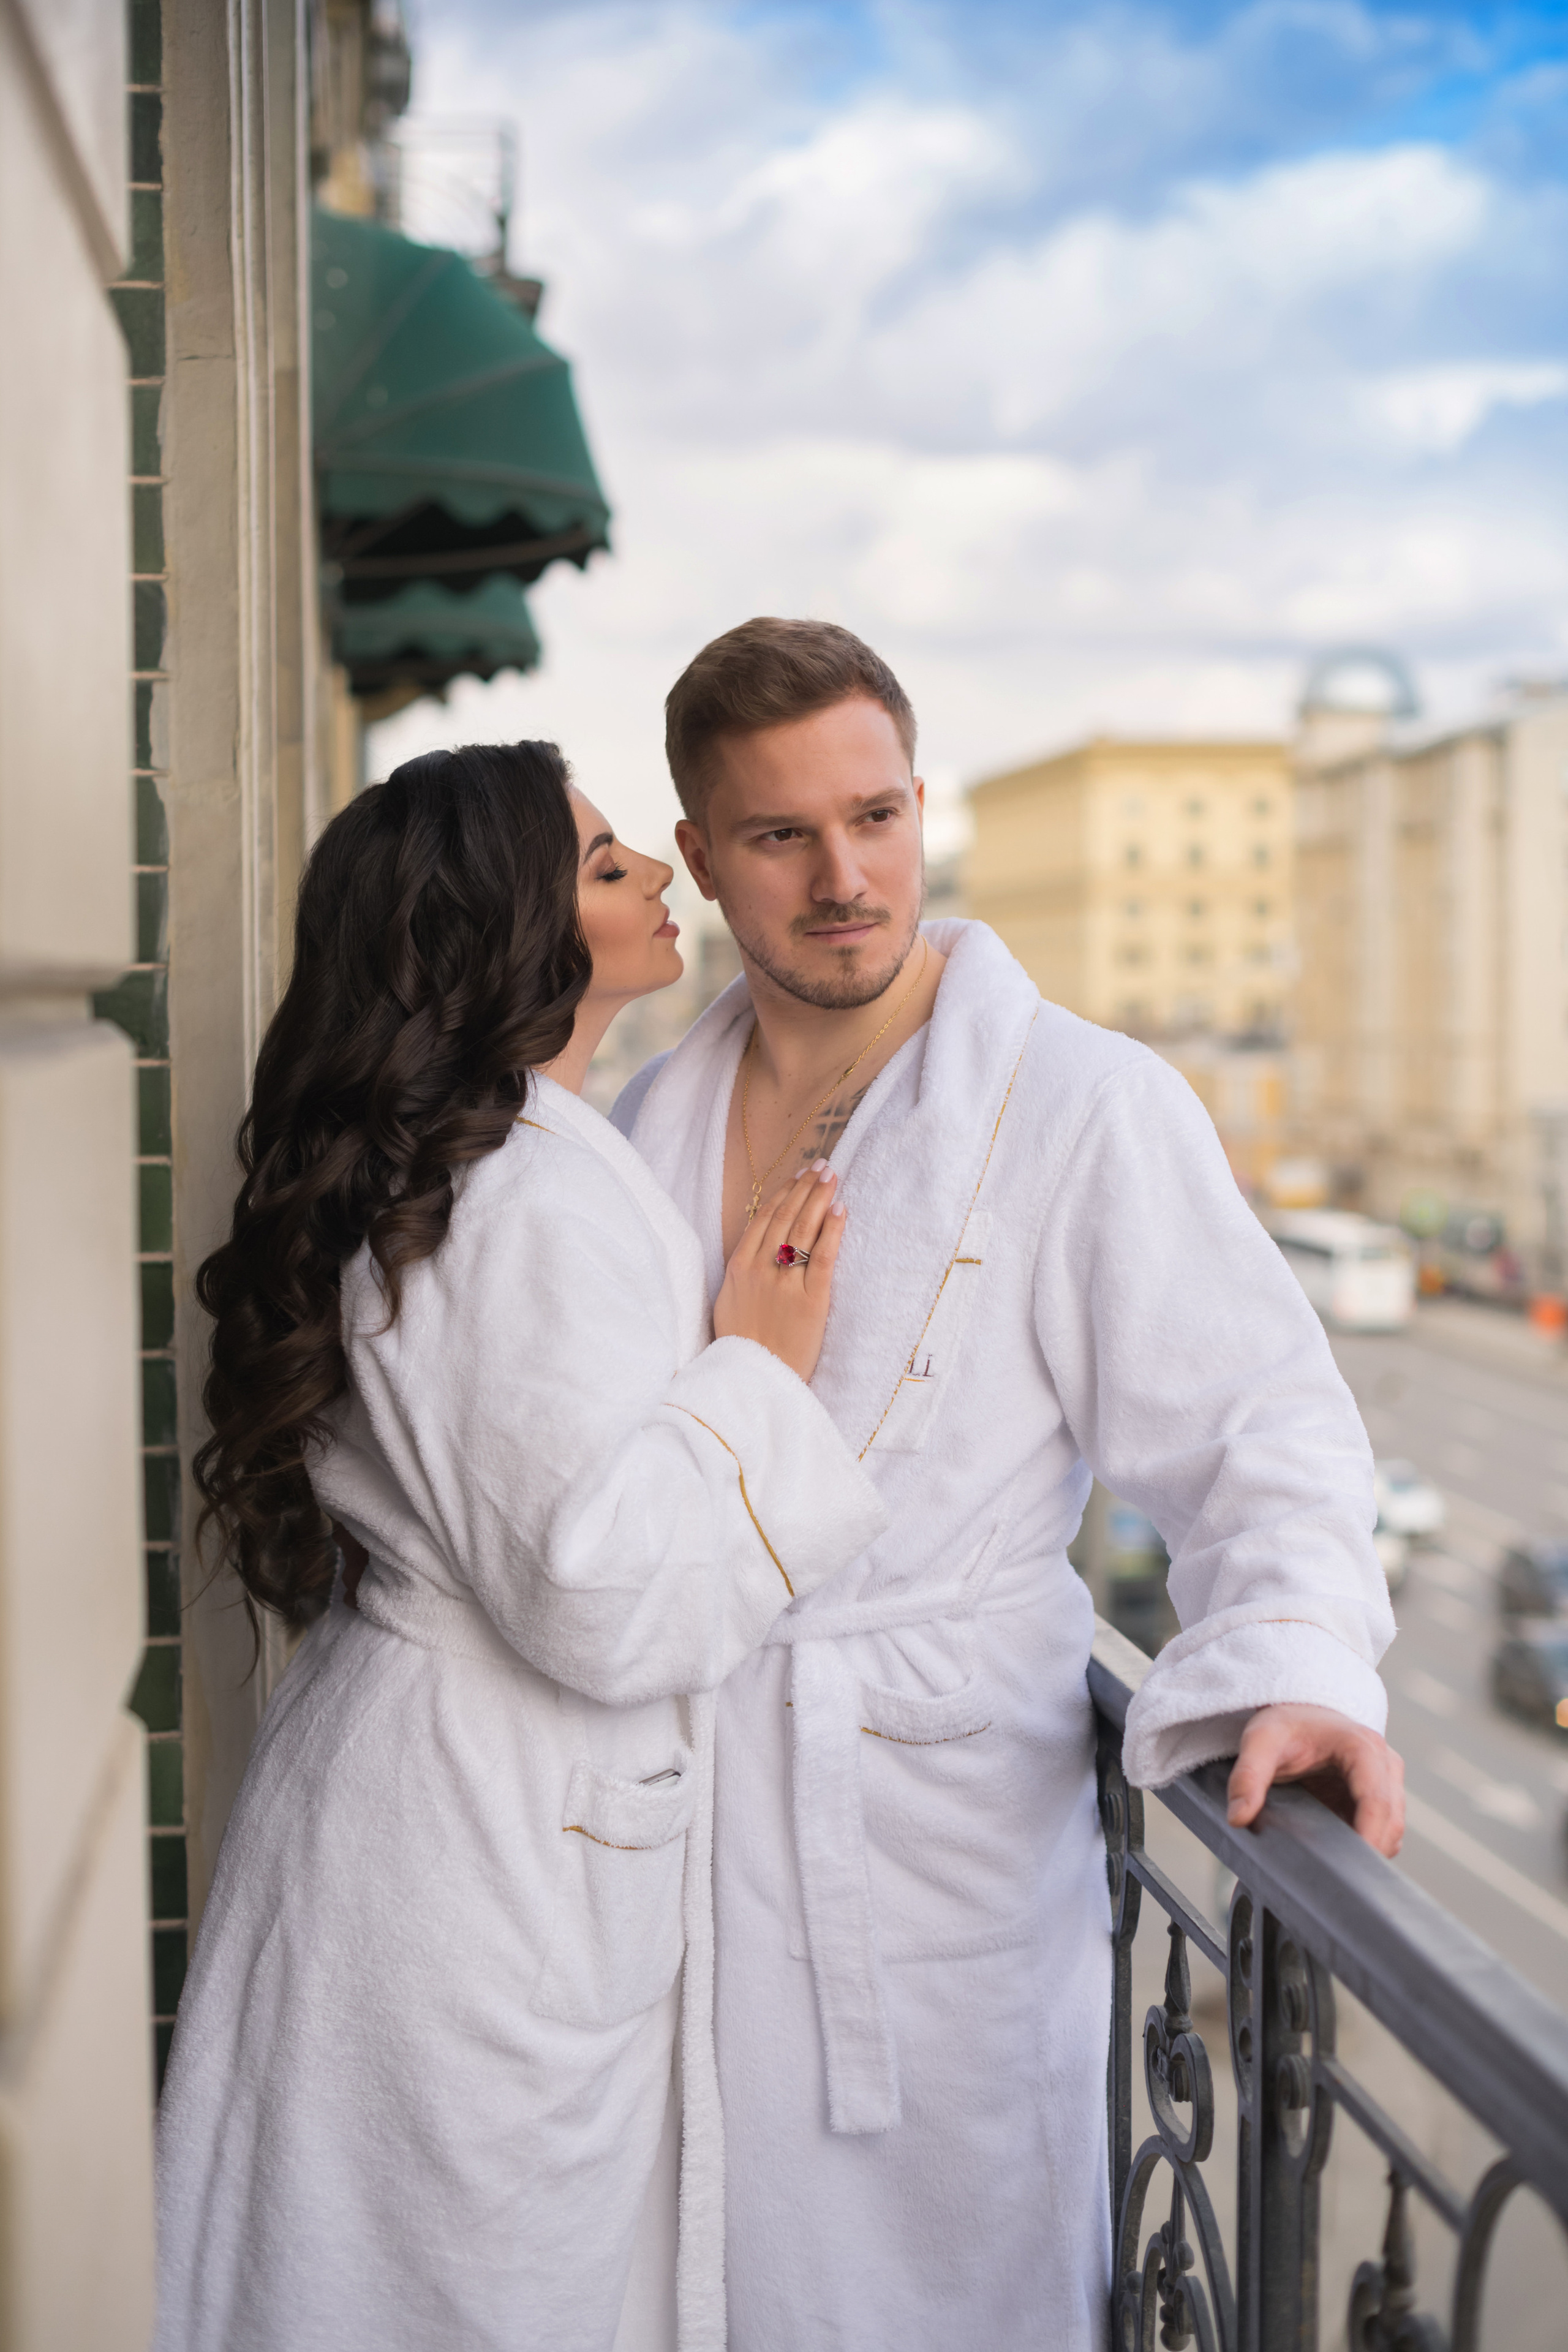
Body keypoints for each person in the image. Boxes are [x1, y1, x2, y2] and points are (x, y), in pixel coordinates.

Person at [611, 619, 1405, 2351]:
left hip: (931, 1858)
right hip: (676, 1838)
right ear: (699, 857)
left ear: (918, 804)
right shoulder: (649, 1116)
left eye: (879, 817)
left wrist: (1301, 1660)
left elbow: (1262, 1428)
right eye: (780, 837)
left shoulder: (1082, 1107)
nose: (845, 878)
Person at [153, 741, 891, 2352]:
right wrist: (758, 1367)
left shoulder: (506, 1160)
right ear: (497, 924)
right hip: (481, 1845)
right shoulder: (517, 1195)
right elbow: (596, 1587)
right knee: (463, 2290)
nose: (658, 877)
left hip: (448, 1798)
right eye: (605, 859)